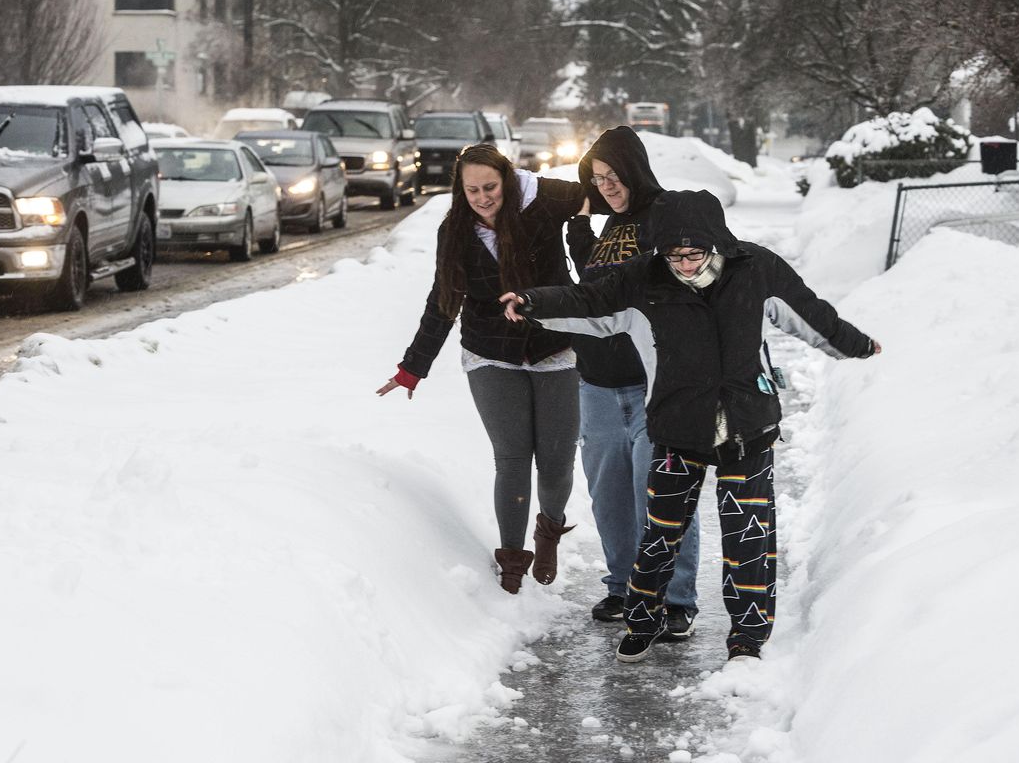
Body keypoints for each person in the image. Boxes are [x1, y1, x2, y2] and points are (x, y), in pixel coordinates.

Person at [500, 189, 881, 661]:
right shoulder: (643, 280)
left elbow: (811, 313)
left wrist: (857, 344)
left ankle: (747, 634)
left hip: (747, 425)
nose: (682, 264)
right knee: (661, 533)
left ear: (717, 243)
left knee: (748, 533)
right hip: (678, 425)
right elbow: (587, 299)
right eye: (672, 254)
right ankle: (644, 621)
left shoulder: (757, 270)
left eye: (692, 253)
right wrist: (533, 302)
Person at [377, 143, 586, 595]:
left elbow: (603, 195)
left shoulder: (543, 200)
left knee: (555, 461)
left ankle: (548, 531)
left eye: (490, 186)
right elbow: (443, 301)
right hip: (491, 352)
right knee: (512, 457)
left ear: (507, 181)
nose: (482, 197)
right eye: (472, 189)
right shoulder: (455, 230)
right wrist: (413, 367)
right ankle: (512, 560)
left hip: (555, 346)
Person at [567, 127, 701, 636]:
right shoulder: (607, 227)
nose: (606, 187)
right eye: (597, 179)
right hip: (597, 380)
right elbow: (599, 294)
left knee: (663, 493)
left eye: (613, 175)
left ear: (634, 168)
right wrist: (582, 234)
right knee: (610, 495)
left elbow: (635, 286)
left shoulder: (666, 216)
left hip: (654, 383)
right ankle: (623, 585)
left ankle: (675, 597)